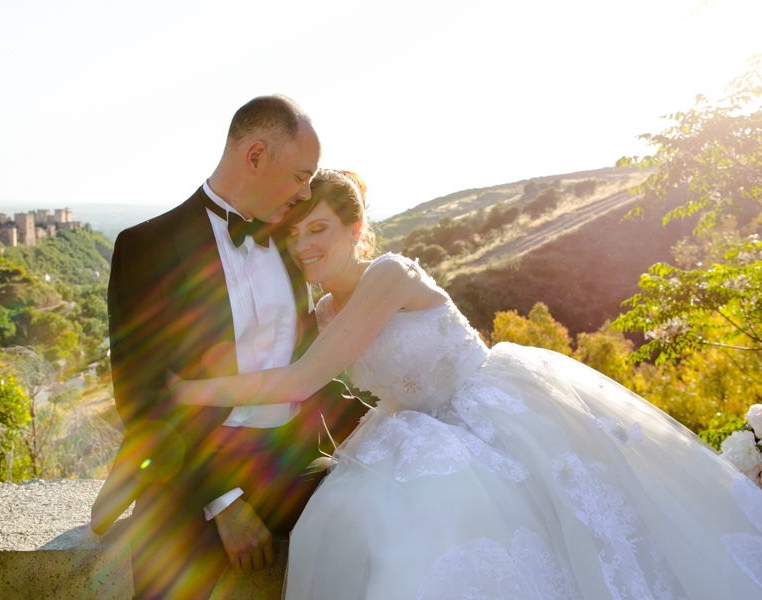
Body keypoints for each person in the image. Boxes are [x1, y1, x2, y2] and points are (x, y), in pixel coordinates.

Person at [168, 169, 762, 599]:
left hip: (497, 409)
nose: (303, 246)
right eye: (294, 235)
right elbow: (301, 385)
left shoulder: (390, 274)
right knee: (350, 516)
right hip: (415, 428)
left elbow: (300, 377)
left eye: (317, 229)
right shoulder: (323, 310)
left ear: (355, 228)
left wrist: (189, 391)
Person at [90, 98, 367, 599]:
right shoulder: (148, 247)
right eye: (300, 176)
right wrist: (225, 502)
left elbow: (308, 369)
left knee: (387, 523)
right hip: (191, 470)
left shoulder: (288, 239)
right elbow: (143, 394)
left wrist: (390, 423)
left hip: (289, 464)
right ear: (256, 156)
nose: (306, 192)